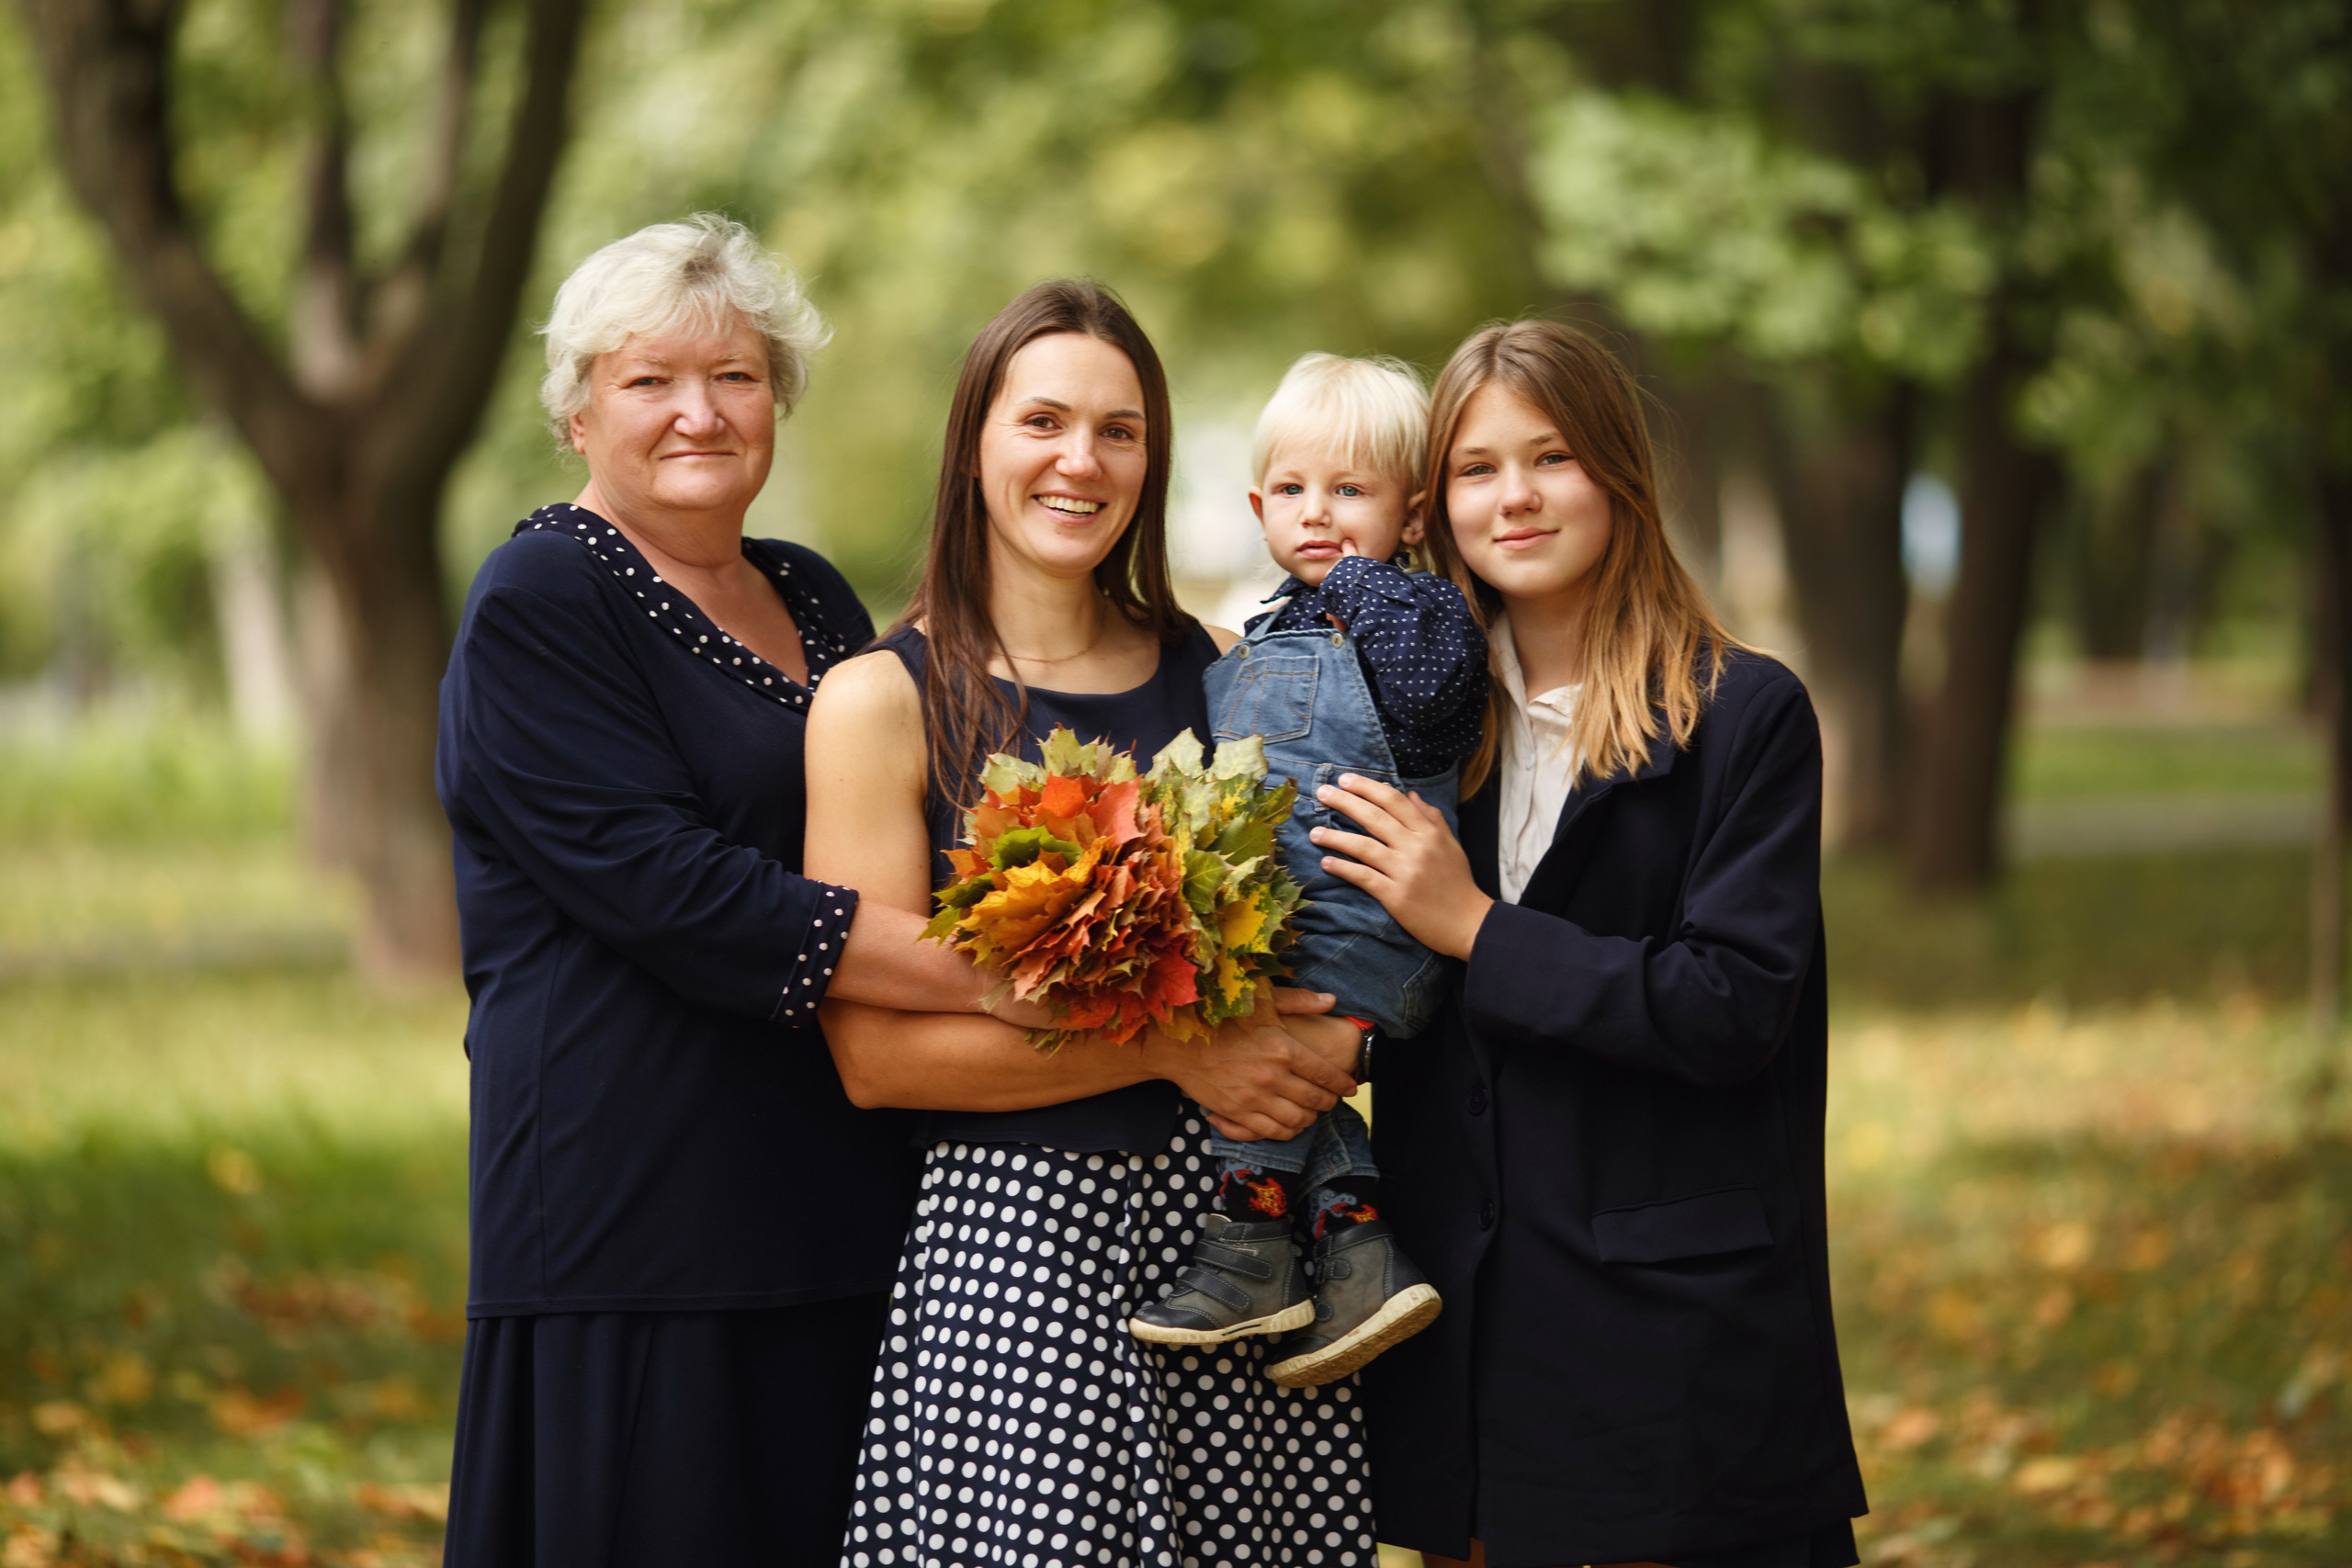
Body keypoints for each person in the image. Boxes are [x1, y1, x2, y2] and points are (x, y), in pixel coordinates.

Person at [435, 215, 1045, 1564]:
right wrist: (997, 981)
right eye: (651, 381)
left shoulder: (813, 593)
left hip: (837, 1197)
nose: (699, 413)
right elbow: (678, 889)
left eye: (737, 377)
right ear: (579, 414)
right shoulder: (540, 597)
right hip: (638, 1216)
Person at [806, 280, 1379, 1568]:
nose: (1082, 460)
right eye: (1045, 420)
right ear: (976, 446)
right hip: (1013, 1249)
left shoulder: (1236, 673)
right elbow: (874, 1056)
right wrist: (1174, 1049)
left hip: (1241, 1243)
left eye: (1120, 431)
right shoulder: (877, 701)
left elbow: (1326, 953)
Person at [1309, 320, 1868, 1568]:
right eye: (1475, 467)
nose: (1513, 496)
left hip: (1667, 1339)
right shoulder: (1402, 731)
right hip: (1463, 1328)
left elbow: (1731, 1002)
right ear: (1430, 505)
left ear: (1618, 471)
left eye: (1550, 456)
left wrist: (1475, 928)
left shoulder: (1741, 712)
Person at [1130, 354, 1486, 1391]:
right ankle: (1354, 1248)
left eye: (1350, 492)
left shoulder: (1420, 620)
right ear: (1255, 505)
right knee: (1277, 1073)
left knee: (1264, 1065)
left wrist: (1358, 573)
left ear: (1412, 516)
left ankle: (1248, 1246)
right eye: (1292, 491)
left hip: (1375, 930)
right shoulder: (1269, 625)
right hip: (1298, 923)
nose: (1317, 514)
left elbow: (1429, 706)